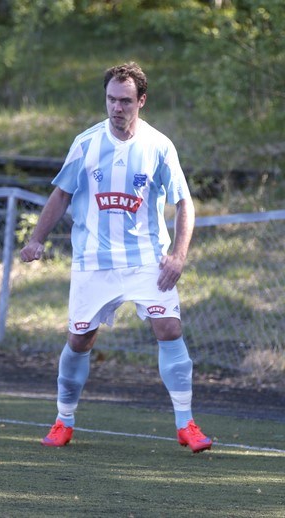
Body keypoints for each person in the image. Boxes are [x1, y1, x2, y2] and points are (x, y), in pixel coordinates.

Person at [20, 62, 212, 453]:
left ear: (141, 101)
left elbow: (183, 202)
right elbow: (61, 195)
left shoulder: (159, 145)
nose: (117, 108)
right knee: (79, 340)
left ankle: (186, 424)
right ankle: (63, 421)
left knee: (169, 330)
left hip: (146, 259)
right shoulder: (86, 143)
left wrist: (178, 254)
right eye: (111, 99)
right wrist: (37, 239)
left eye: (125, 101)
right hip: (94, 261)